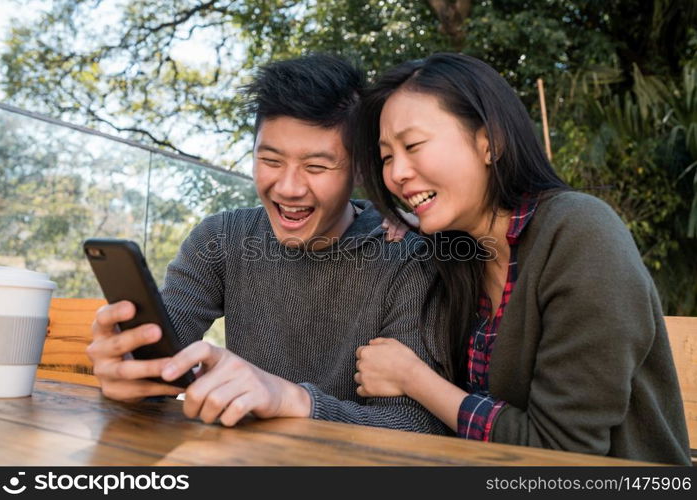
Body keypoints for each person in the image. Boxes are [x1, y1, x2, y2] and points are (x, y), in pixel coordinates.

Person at [353, 53, 691, 464]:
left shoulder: (579, 234)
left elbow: (563, 452)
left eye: (413, 145)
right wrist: (398, 219)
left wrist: (413, 378)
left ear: (489, 142)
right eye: (387, 156)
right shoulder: (462, 255)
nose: (396, 173)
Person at [86, 54, 446, 434]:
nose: (289, 188)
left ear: (359, 168)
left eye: (316, 167)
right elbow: (165, 345)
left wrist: (293, 400)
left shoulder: (407, 254)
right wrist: (129, 366)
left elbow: (416, 425)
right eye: (270, 160)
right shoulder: (220, 239)